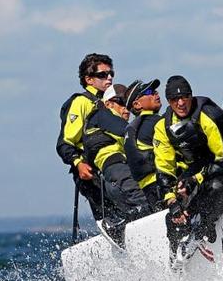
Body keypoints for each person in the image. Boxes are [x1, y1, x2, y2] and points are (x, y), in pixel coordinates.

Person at [153, 75, 223, 256]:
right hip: (199, 170)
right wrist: (172, 202)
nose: (180, 103)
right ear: (168, 102)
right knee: (174, 209)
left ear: (191, 96)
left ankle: (201, 233)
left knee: (216, 187)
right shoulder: (163, 127)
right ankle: (175, 256)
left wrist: (196, 179)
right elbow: (164, 170)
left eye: (184, 97)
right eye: (174, 100)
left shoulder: (209, 116)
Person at [82, 84, 152, 245]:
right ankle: (116, 226)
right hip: (118, 173)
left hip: (116, 179)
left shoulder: (110, 124)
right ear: (108, 103)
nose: (126, 109)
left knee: (146, 209)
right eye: (120, 102)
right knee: (145, 204)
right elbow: (130, 133)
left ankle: (121, 225)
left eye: (127, 104)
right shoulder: (101, 116)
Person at [56, 53, 116, 223]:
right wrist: (78, 163)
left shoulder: (111, 102)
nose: (109, 78)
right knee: (110, 216)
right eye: (103, 75)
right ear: (89, 79)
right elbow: (64, 144)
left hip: (113, 165)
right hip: (90, 171)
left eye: (111, 74)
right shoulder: (80, 102)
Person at [124, 79, 164, 210]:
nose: (156, 94)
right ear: (137, 104)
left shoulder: (132, 128)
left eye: (155, 91)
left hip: (148, 189)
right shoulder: (156, 122)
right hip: (163, 184)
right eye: (149, 92)